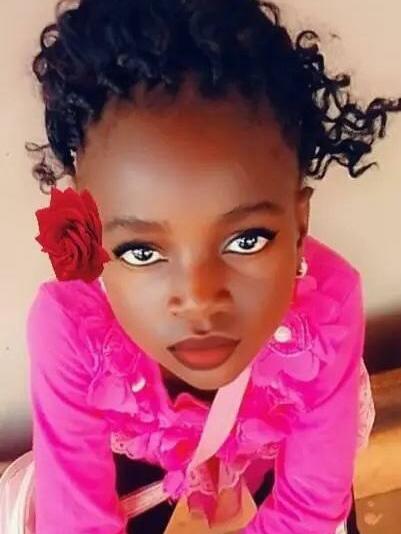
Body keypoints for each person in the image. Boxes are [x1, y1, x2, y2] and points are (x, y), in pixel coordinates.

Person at [11, 0, 401, 532]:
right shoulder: (71, 331)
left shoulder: (325, 315)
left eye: (246, 240)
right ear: (91, 231)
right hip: (142, 461)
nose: (198, 299)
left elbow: (309, 511)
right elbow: (76, 522)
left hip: (273, 453)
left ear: (299, 223)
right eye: (141, 252)